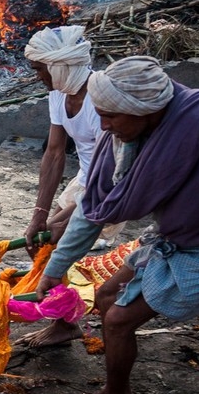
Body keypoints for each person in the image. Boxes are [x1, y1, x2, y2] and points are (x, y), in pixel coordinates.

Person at [35, 56, 199, 394]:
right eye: (100, 115)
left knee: (118, 320)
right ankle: (117, 390)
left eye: (110, 116)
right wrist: (55, 269)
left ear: (144, 110)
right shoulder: (127, 139)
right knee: (106, 297)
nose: (103, 126)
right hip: (179, 237)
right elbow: (95, 209)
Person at [18, 25, 124, 348]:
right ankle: (64, 319)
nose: (38, 77)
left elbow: (109, 174)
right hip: (87, 179)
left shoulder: (100, 100)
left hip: (113, 185)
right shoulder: (58, 93)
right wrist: (40, 213)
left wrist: (68, 217)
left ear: (59, 66)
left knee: (56, 243)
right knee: (40, 239)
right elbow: (54, 153)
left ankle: (65, 323)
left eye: (40, 69)